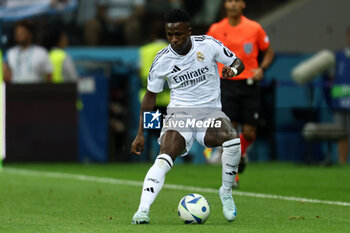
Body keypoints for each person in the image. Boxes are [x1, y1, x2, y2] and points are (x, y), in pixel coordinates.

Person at [131, 9, 245, 224]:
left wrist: (233, 71)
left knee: (232, 138)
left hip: (210, 113)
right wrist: (140, 133)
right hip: (180, 114)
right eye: (170, 35)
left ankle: (226, 192)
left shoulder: (208, 45)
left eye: (179, 35)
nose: (174, 39)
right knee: (164, 156)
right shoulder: (162, 59)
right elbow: (149, 98)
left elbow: (238, 62)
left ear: (189, 32)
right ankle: (142, 210)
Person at [207, 0, 274, 187]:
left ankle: (242, 151)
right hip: (226, 84)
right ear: (225, 5)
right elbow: (205, 53)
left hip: (249, 84)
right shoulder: (215, 29)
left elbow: (269, 52)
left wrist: (262, 68)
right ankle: (233, 176)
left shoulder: (254, 28)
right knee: (230, 132)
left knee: (250, 133)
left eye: (237, 1)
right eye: (229, 1)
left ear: (243, 4)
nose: (233, 4)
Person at [328, 27, 350, 164]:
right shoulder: (337, 57)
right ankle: (342, 162)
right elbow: (330, 79)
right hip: (339, 103)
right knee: (341, 134)